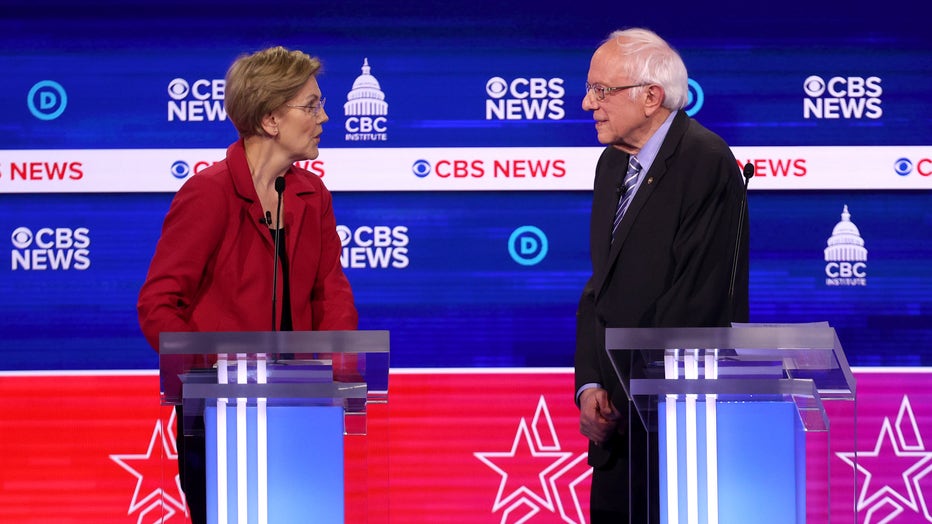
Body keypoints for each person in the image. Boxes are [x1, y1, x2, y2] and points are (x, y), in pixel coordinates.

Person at [137, 46, 357, 524]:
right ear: (272, 119)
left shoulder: (310, 193)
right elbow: (158, 303)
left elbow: (329, 289)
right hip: (219, 415)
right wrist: (206, 376)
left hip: (299, 406)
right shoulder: (209, 193)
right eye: (312, 105)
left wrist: (337, 368)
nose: (325, 115)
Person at [574, 28, 749, 523]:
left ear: (651, 97)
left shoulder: (706, 161)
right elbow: (600, 287)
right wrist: (590, 385)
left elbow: (697, 300)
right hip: (615, 430)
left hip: (674, 424)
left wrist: (629, 393)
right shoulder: (612, 165)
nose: (589, 103)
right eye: (590, 89)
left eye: (602, 91)